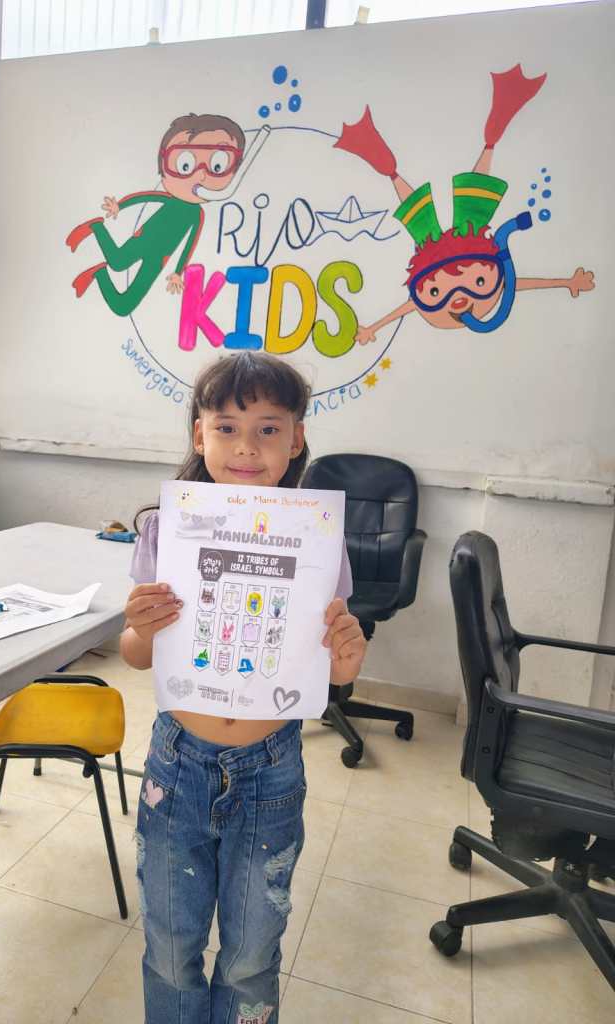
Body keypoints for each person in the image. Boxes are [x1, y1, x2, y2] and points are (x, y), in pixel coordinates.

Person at [121, 351, 367, 1024]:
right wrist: (140, 627)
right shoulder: (166, 529)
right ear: (199, 436)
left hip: (270, 770)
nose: (246, 447)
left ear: (296, 439)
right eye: (226, 427)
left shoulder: (318, 538)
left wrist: (347, 656)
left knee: (251, 956)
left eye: (268, 429)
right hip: (178, 764)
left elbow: (334, 667)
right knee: (170, 949)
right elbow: (136, 656)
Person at [333, 65, 595, 339]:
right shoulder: (474, 290)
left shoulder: (496, 284)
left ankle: (487, 135)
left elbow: (512, 283)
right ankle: (399, 164)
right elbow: (511, 285)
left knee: (420, 195)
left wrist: (567, 282)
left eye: (479, 282)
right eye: (435, 292)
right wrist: (567, 282)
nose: (459, 298)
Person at [66, 112, 246, 316]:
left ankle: (99, 273)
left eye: (217, 166)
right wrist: (119, 206)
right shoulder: (170, 199)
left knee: (124, 307)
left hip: (159, 259)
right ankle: (96, 226)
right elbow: (145, 197)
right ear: (163, 162)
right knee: (116, 262)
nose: (201, 175)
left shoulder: (197, 214)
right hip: (142, 240)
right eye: (185, 165)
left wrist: (178, 272)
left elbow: (189, 244)